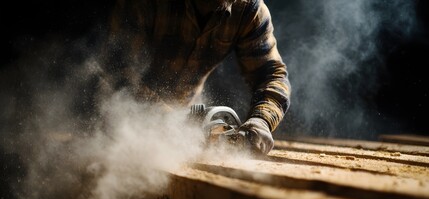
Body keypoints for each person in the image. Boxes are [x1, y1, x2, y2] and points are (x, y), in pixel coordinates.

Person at [100, 0, 291, 154]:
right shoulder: (145, 5)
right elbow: (116, 71)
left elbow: (271, 75)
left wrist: (261, 120)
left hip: (186, 128)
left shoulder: (249, 9)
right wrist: (171, 119)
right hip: (112, 123)